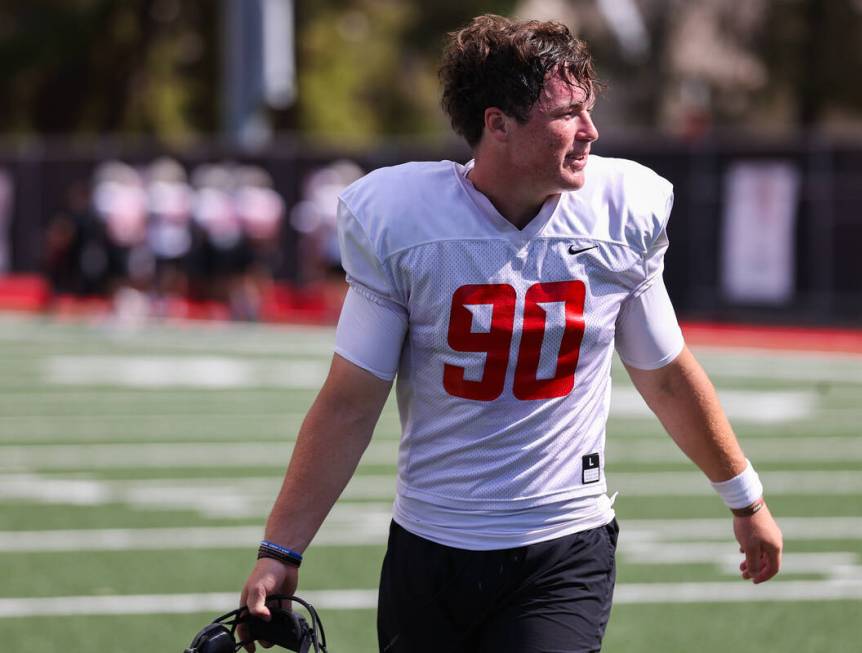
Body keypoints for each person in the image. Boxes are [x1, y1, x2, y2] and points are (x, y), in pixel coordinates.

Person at [239, 14, 782, 653]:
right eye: (568, 113)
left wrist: (746, 500)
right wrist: (281, 547)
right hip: (433, 545)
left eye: (589, 109)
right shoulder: (406, 222)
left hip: (563, 545)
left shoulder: (618, 210)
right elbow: (351, 401)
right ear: (497, 124)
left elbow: (664, 374)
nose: (590, 131)